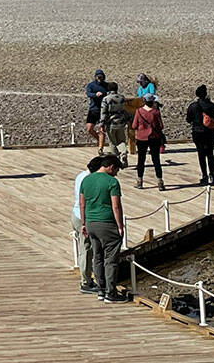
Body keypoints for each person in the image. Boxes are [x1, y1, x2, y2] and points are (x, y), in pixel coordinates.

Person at [79, 155, 127, 302]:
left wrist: (83, 223)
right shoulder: (112, 182)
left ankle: (100, 290)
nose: (116, 173)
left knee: (97, 257)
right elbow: (116, 206)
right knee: (111, 259)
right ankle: (111, 293)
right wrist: (120, 226)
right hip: (107, 223)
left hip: (91, 223)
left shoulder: (86, 180)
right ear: (111, 167)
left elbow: (82, 203)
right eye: (117, 170)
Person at [71, 156, 103, 294]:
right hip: (82, 216)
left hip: (76, 214)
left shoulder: (81, 175)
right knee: (86, 249)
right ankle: (86, 282)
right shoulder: (89, 180)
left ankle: (88, 278)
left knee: (86, 248)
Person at [186, 84, 214, 185]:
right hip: (210, 132)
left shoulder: (193, 106)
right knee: (210, 154)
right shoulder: (211, 105)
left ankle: (204, 176)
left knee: (201, 154)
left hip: (197, 132)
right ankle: (212, 175)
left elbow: (188, 119)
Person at [131, 93, 165, 190]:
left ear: (144, 100)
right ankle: (160, 181)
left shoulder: (139, 111)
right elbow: (160, 126)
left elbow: (134, 126)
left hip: (141, 137)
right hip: (154, 137)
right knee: (156, 160)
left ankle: (140, 181)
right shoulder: (156, 112)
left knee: (141, 160)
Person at [100, 82, 130, 166]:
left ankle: (115, 161)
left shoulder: (106, 99)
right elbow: (124, 110)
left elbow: (103, 112)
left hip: (111, 123)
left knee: (112, 142)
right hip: (121, 122)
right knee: (121, 141)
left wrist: (101, 124)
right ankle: (123, 154)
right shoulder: (122, 98)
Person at [85, 70, 109, 151]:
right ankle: (99, 140)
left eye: (101, 77)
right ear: (95, 77)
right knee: (89, 128)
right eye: (98, 77)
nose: (99, 78)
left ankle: (100, 148)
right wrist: (95, 94)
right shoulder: (91, 85)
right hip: (93, 109)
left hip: (103, 110)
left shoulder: (106, 85)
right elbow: (88, 93)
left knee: (101, 129)